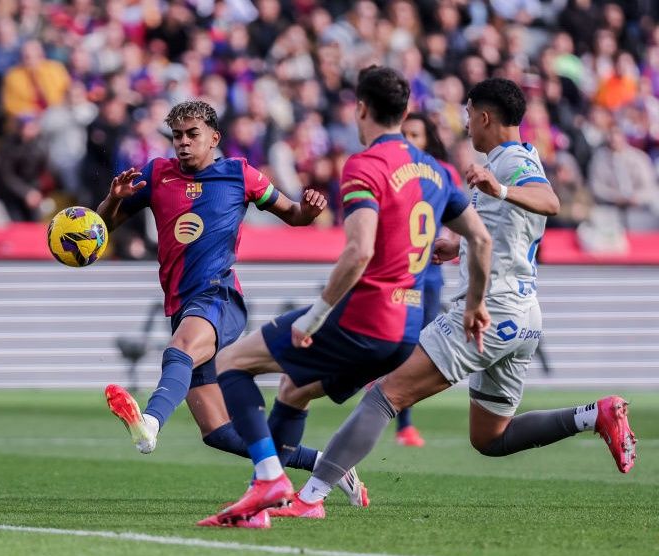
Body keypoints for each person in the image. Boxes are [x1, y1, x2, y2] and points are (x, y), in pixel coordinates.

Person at [292, 78, 637, 522]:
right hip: (523, 317)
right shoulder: (516, 158)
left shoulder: (510, 163)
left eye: (469, 114)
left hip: (488, 314)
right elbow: (510, 230)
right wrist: (461, 247)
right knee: (490, 438)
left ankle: (309, 497)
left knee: (384, 394)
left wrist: (501, 190)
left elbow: (550, 202)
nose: (466, 124)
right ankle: (594, 415)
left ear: (485, 117)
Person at [199, 66, 493, 526]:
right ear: (405, 112)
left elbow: (359, 251)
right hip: (404, 333)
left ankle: (270, 480)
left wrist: (314, 317)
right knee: (293, 390)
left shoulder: (365, 165)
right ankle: (269, 500)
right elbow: (482, 239)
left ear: (360, 108)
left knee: (230, 364)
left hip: (364, 316)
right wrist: (475, 304)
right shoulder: (435, 171)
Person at [99, 101, 367, 525]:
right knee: (219, 433)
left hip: (219, 297)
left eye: (192, 134)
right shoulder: (155, 174)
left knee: (180, 348)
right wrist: (112, 202)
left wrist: (310, 210)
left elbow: (294, 215)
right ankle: (325, 463)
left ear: (213, 138)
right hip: (181, 303)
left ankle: (150, 421)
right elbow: (102, 228)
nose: (183, 143)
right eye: (177, 136)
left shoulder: (240, 174)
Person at [393, 111, 465, 448]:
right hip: (394, 270)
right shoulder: (393, 170)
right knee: (397, 343)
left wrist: (454, 245)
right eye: (404, 134)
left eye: (416, 135)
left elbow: (464, 218)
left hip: (428, 272)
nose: (408, 141)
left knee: (416, 344)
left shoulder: (443, 173)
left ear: (428, 140)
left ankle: (403, 422)